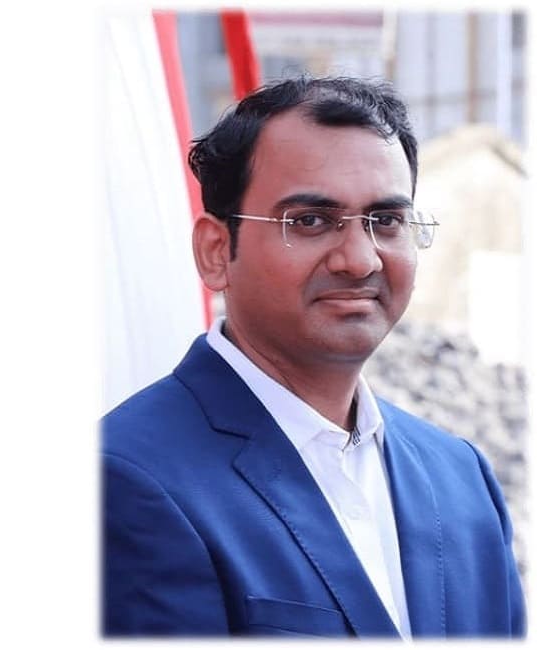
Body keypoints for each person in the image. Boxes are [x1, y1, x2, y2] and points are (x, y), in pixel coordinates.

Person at [102, 76, 526, 638]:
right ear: (215, 251)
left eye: (386, 221)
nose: (360, 259)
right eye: (310, 221)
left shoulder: (459, 477)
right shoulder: (126, 479)